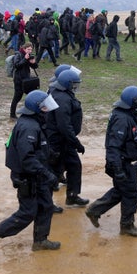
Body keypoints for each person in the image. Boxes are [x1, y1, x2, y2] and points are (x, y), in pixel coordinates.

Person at [0, 90, 61, 257]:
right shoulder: (28, 127)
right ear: (36, 109)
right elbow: (27, 158)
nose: (48, 110)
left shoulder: (34, 122)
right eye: (45, 108)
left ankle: (40, 240)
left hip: (37, 176)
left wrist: (50, 155)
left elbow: (37, 149)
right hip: (28, 177)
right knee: (27, 212)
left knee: (46, 206)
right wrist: (48, 175)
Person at [85, 86, 137, 237]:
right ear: (132, 102)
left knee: (122, 191)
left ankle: (94, 210)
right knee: (132, 193)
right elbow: (113, 147)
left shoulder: (127, 115)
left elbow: (128, 138)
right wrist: (118, 170)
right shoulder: (122, 119)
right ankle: (127, 226)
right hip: (120, 163)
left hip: (123, 162)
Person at [45, 69, 88, 207]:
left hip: (65, 141)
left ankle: (72, 196)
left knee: (74, 166)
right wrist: (76, 143)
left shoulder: (62, 93)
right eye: (74, 84)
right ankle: (46, 204)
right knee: (53, 172)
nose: (76, 87)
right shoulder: (62, 98)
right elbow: (64, 125)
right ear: (66, 84)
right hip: (58, 142)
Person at [10, 43, 38, 119]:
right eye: (28, 49)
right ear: (24, 49)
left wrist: (33, 62)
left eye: (31, 49)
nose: (30, 51)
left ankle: (33, 112)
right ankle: (12, 115)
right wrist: (25, 59)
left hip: (27, 79)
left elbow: (35, 67)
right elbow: (17, 65)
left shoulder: (28, 55)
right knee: (17, 97)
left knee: (32, 95)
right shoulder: (18, 55)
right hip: (18, 79)